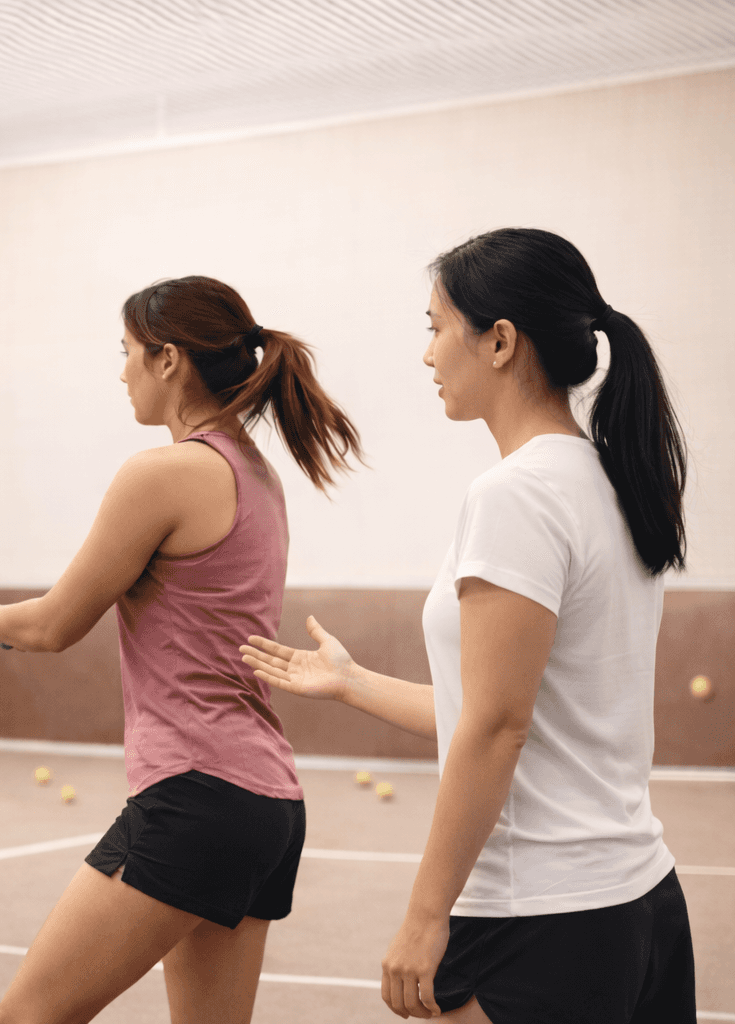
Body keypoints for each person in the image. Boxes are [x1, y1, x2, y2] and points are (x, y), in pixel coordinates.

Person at [242, 227, 696, 1023]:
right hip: (638, 904)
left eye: (434, 326)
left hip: (543, 917)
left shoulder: (516, 495)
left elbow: (496, 727)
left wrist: (427, 913)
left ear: (499, 342)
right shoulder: (610, 482)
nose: (426, 354)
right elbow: (502, 709)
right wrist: (351, 684)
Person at [0, 275, 361, 1024]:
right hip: (267, 805)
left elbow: (51, 626)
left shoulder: (165, 473)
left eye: (129, 353)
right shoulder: (257, 476)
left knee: (29, 1016)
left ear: (169, 360)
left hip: (196, 797)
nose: (122, 373)